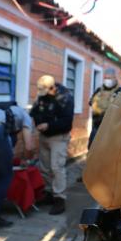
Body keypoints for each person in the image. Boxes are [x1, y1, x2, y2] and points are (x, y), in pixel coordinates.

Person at [30, 75, 74, 215]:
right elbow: (34, 112)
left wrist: (48, 125)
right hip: (44, 136)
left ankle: (60, 199)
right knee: (44, 167)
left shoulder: (65, 97)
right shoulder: (42, 94)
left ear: (52, 87)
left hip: (58, 137)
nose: (42, 95)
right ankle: (49, 194)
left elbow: (67, 122)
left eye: (45, 92)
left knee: (57, 167)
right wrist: (38, 123)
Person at [88, 67, 120, 148]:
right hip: (96, 127)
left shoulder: (120, 91)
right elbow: (90, 102)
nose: (107, 80)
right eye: (105, 78)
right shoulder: (99, 90)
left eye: (109, 78)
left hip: (111, 131)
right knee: (92, 149)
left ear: (114, 78)